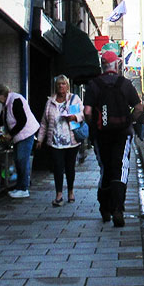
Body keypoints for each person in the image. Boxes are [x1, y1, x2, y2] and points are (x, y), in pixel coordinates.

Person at [84, 51, 142, 227]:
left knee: (106, 169)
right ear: (116, 65)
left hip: (101, 135)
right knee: (121, 168)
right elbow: (139, 108)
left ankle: (104, 208)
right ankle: (118, 208)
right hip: (122, 134)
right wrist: (129, 121)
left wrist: (94, 126)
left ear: (102, 65)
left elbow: (87, 112)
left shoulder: (93, 84)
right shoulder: (125, 84)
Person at [37, 75, 84, 207]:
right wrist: (40, 139)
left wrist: (74, 117)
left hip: (71, 141)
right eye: (59, 84)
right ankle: (58, 195)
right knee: (58, 168)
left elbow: (83, 113)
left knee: (70, 168)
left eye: (63, 84)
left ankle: (70, 191)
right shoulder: (50, 102)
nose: (61, 87)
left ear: (67, 86)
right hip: (55, 141)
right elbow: (44, 122)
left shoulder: (74, 99)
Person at [0, 83, 41, 199]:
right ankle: (20, 187)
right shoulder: (6, 104)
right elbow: (1, 120)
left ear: (1, 94)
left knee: (21, 160)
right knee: (18, 161)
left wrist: (10, 134)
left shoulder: (15, 100)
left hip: (26, 134)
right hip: (20, 136)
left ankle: (23, 188)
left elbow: (22, 120)